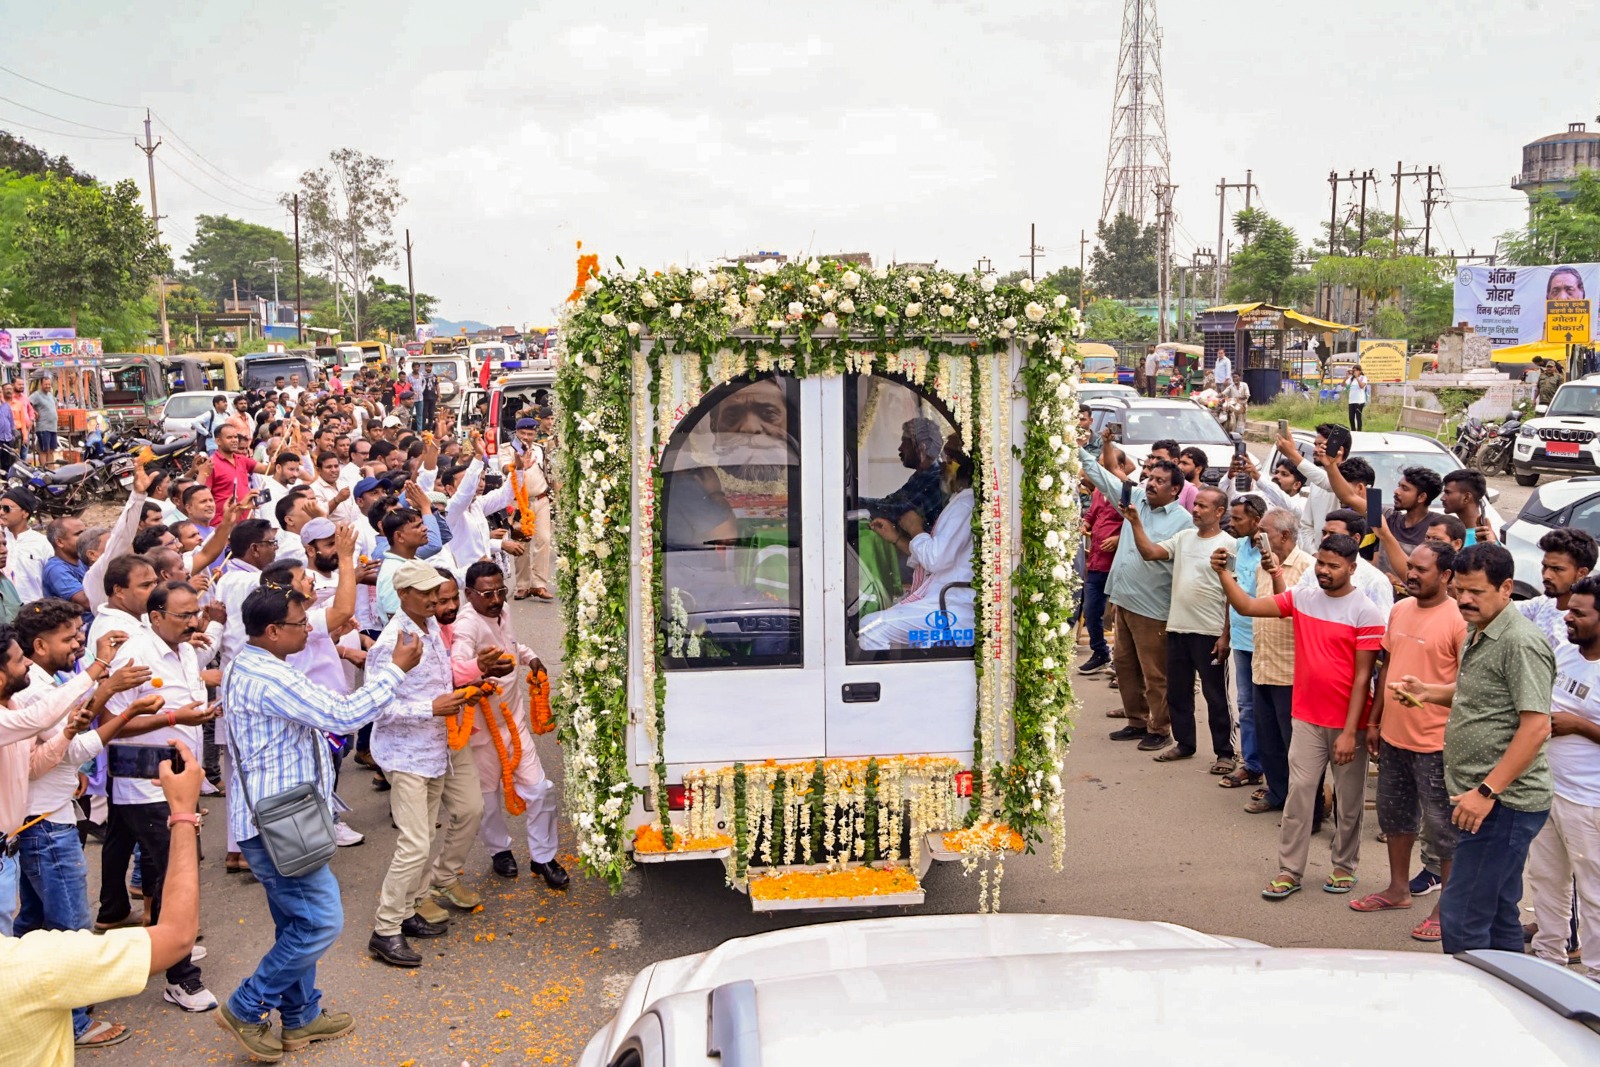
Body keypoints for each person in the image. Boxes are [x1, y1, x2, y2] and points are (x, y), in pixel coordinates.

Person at [213, 587, 422, 1059]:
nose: (309, 629)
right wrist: (394, 670)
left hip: (276, 813)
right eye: (299, 623)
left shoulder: (251, 663)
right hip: (280, 820)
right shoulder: (269, 677)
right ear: (271, 632)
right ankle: (247, 1006)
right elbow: (343, 715)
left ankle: (301, 1016)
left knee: (296, 921)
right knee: (321, 922)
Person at [1393, 544, 1555, 953]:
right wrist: (1427, 691)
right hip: (1481, 800)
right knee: (1499, 910)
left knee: (1462, 916)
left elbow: (1536, 727)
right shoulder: (1477, 629)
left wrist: (1487, 793)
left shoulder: (1520, 643)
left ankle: (1469, 1002)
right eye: (1460, 589)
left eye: (1476, 592)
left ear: (1505, 588)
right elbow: (1475, 695)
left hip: (1503, 805)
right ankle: (1509, 997)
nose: (1464, 600)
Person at [0, 739, 202, 1067]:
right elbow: (177, 936)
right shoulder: (32, 966)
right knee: (69, 919)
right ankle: (77, 1020)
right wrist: (182, 813)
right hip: (56, 822)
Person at [1217, 533, 1384, 900]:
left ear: (1352, 568)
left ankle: (1344, 866)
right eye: (1321, 563)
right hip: (1305, 716)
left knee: (1349, 798)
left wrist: (1349, 731)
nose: (1323, 571)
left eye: (1333, 566)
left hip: (1347, 724)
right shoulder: (1302, 598)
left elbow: (1363, 678)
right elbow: (1246, 606)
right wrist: (1224, 575)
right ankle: (1289, 870)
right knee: (1299, 794)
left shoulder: (1366, 612)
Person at [99, 580, 222, 1012]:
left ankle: (165, 947)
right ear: (155, 617)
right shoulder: (136, 653)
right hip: (146, 784)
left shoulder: (186, 648)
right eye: (184, 616)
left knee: (157, 870)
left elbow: (188, 696)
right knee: (178, 872)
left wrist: (197, 711)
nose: (194, 622)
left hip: (176, 779)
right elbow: (111, 724)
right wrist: (175, 716)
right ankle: (181, 978)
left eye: (196, 613)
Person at [1350, 541, 1465, 942]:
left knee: (1442, 831)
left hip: (1437, 745)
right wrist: (1375, 721)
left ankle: (1446, 909)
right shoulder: (1399, 609)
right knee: (1395, 818)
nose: (1411, 574)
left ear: (1447, 576)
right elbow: (1387, 669)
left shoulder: (1459, 621)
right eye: (1410, 567)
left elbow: (1467, 687)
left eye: (1422, 569)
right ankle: (1398, 890)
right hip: (1394, 738)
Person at [366, 559, 478, 968]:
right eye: (428, 593)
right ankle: (386, 929)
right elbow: (377, 706)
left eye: (438, 592)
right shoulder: (390, 643)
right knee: (414, 845)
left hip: (434, 751)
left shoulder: (429, 627)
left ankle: (410, 909)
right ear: (404, 596)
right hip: (405, 754)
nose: (436, 599)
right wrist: (430, 708)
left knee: (423, 839)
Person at [452, 561, 568, 886]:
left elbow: (512, 646)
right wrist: (482, 670)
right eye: (487, 594)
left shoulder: (501, 612)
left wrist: (530, 658)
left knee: (540, 790)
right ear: (470, 594)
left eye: (501, 591)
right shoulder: (466, 625)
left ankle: (543, 858)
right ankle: (498, 850)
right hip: (480, 729)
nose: (496, 599)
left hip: (513, 721)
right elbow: (456, 669)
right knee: (487, 798)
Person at [1079, 435, 1194, 750]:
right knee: (1125, 664)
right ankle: (1136, 721)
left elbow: (1160, 555)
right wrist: (1076, 449)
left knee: (1154, 673)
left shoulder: (1184, 522)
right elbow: (1102, 476)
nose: (1152, 484)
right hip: (1124, 600)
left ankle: (1160, 728)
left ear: (1175, 491)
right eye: (1151, 477)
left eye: (1160, 481)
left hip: (1153, 608)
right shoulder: (1137, 498)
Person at [1124, 486, 1236, 769]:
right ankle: (1185, 744)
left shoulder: (1228, 544)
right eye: (1195, 505)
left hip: (1210, 632)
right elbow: (1150, 552)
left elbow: (1233, 595)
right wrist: (1135, 522)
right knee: (1178, 692)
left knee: (1215, 696)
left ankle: (1225, 753)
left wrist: (1225, 634)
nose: (1195, 510)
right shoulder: (1184, 537)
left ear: (1220, 512)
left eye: (1203, 506)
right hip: (1177, 628)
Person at [1525, 574, 1600, 981]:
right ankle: (1550, 960)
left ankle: (1594, 976)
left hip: (1590, 802)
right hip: (1547, 788)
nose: (1568, 618)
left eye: (1580, 613)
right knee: (1546, 880)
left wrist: (1580, 726)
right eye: (1570, 610)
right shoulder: (1566, 655)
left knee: (1594, 893)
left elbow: (1571, 721)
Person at [861, 439, 975, 651]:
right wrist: (897, 538)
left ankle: (885, 683)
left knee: (871, 628)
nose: (942, 466)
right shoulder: (960, 502)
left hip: (951, 607)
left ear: (963, 466)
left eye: (948, 460)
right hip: (941, 600)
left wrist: (915, 528)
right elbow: (934, 559)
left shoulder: (966, 504)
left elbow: (935, 559)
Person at [1219, 495, 1267, 790]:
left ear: (1257, 520)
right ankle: (1251, 765)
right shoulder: (1238, 547)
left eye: (1237, 519)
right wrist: (1225, 633)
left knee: (1271, 710)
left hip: (1267, 640)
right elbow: (1231, 590)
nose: (1231, 523)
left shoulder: (1272, 551)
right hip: (1241, 638)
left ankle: (1276, 770)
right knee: (1246, 706)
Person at [1076, 460, 1126, 676]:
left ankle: (1119, 659)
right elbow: (1092, 515)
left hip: (1117, 564)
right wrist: (1085, 523)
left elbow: (1136, 523)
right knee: (1091, 610)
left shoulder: (1126, 492)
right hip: (1096, 561)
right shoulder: (1099, 491)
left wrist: (1118, 538)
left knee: (1119, 615)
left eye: (1105, 466)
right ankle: (1100, 652)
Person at [1513, 527, 1597, 648]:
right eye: (1545, 567)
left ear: (1581, 573)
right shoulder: (1543, 603)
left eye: (1557, 569)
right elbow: (1499, 609)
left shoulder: (1584, 627)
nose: (1546, 575)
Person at [506, 419, 555, 601]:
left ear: (535, 434)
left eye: (530, 434)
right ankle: (522, 586)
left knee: (544, 539)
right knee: (522, 543)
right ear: (516, 432)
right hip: (519, 502)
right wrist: (519, 463)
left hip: (541, 499)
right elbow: (505, 469)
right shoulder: (508, 449)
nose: (526, 437)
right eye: (523, 433)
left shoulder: (540, 450)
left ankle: (539, 585)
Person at [1373, 467, 1445, 583]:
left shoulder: (1437, 527)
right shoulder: (1388, 517)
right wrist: (1332, 465)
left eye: (1405, 488)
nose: (1396, 491)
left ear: (1421, 497)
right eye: (1399, 485)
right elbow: (1349, 498)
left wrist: (1401, 584)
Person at [876, 417, 948, 530]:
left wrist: (857, 504)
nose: (900, 448)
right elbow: (891, 501)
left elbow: (900, 512)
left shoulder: (936, 479)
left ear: (921, 448)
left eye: (905, 442)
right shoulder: (920, 476)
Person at [2, 487, 52, 603]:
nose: (1, 512)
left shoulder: (42, 543)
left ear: (24, 513)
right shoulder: (2, 538)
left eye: (6, 509)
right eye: (0, 508)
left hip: (34, 613)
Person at [1441, 469, 1490, 545]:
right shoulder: (1454, 534)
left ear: (1466, 497)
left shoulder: (1484, 540)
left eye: (1447, 493)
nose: (1442, 498)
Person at [27, 376, 58, 466]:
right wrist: (34, 411)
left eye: (49, 384)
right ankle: (45, 470)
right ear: (41, 384)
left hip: (53, 427)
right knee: (44, 450)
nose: (48, 386)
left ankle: (51, 470)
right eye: (46, 384)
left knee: (51, 450)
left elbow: (55, 404)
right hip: (43, 428)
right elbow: (27, 403)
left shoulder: (50, 395)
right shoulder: (36, 395)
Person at [1345, 365, 1368, 430]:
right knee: (1351, 417)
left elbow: (1361, 386)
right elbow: (1343, 385)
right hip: (1351, 401)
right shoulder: (1351, 379)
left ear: (1359, 371)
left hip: (1359, 401)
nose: (1354, 372)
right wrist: (1346, 377)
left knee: (1358, 417)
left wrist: (1357, 378)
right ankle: (1353, 430)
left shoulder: (1363, 377)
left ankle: (1359, 431)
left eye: (1355, 370)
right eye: (1353, 371)